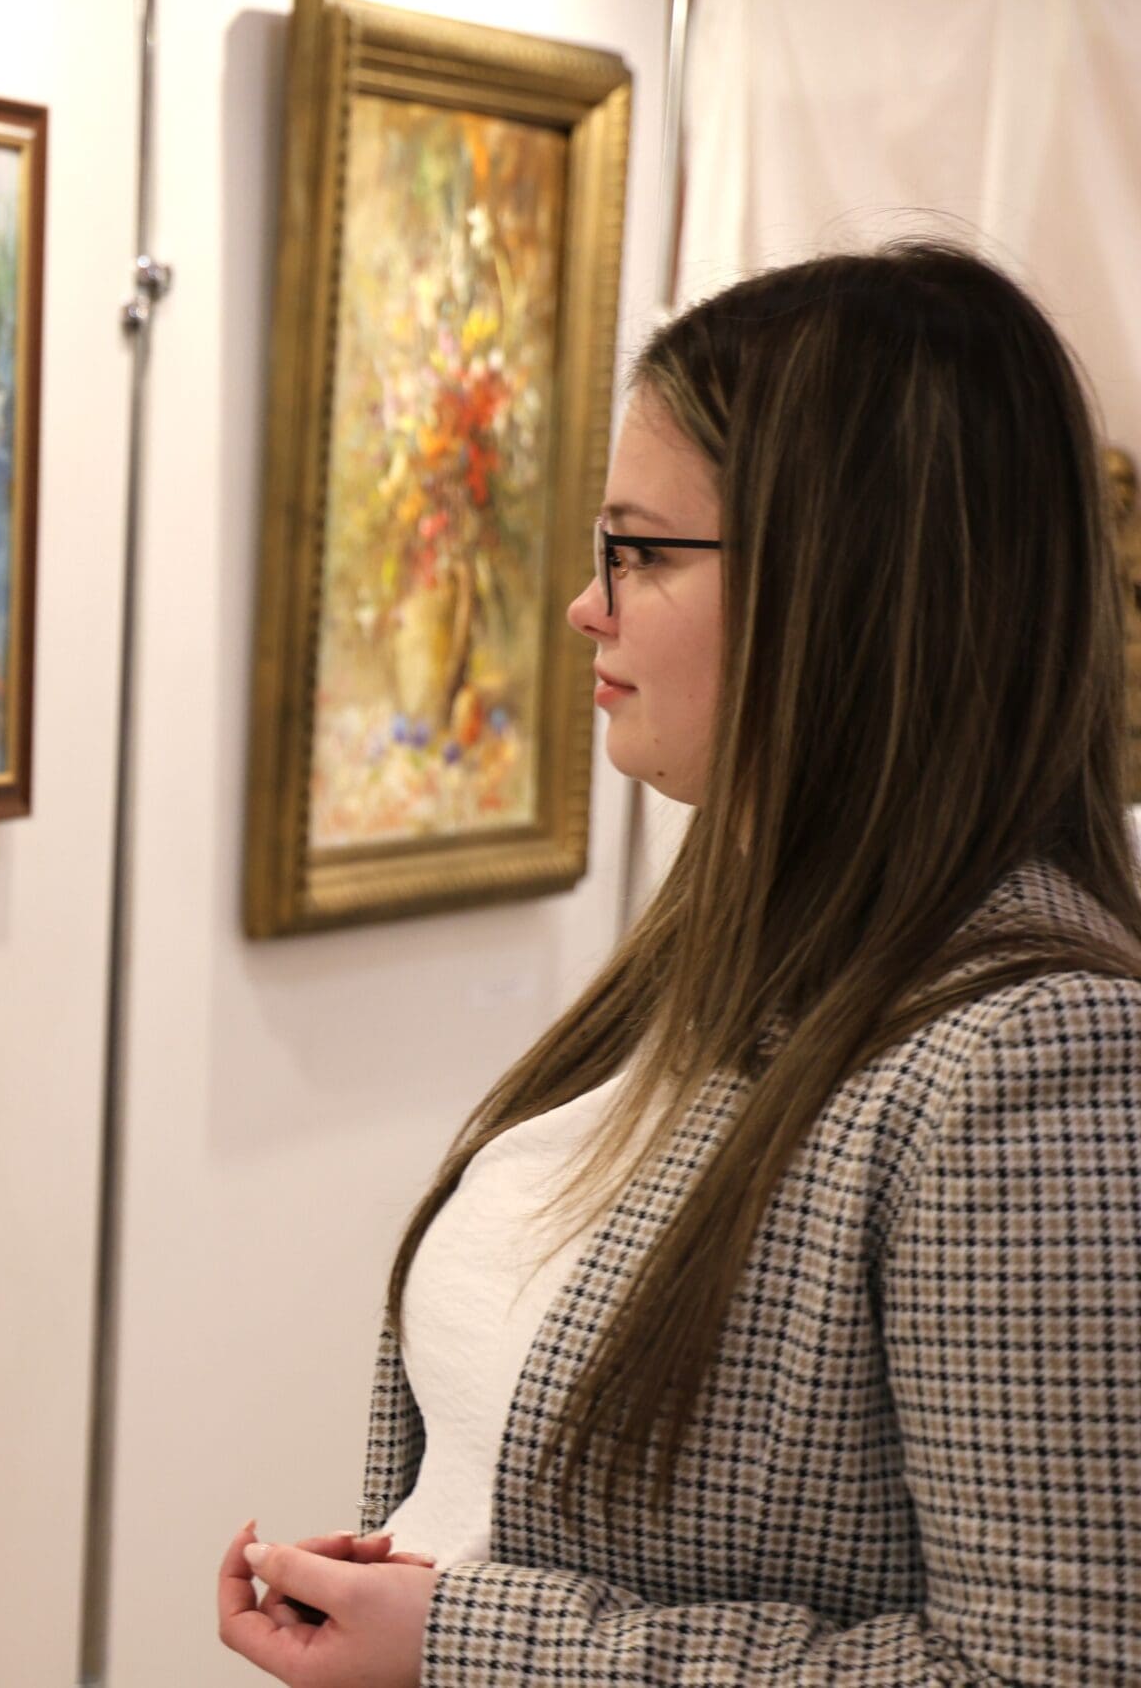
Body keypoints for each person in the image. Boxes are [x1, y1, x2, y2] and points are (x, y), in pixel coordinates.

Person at [218, 241, 1141, 1684]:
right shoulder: (727, 949)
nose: (587, 605)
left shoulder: (1034, 1060)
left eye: (641, 552)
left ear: (843, 585)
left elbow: (1052, 1668)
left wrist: (467, 1639)